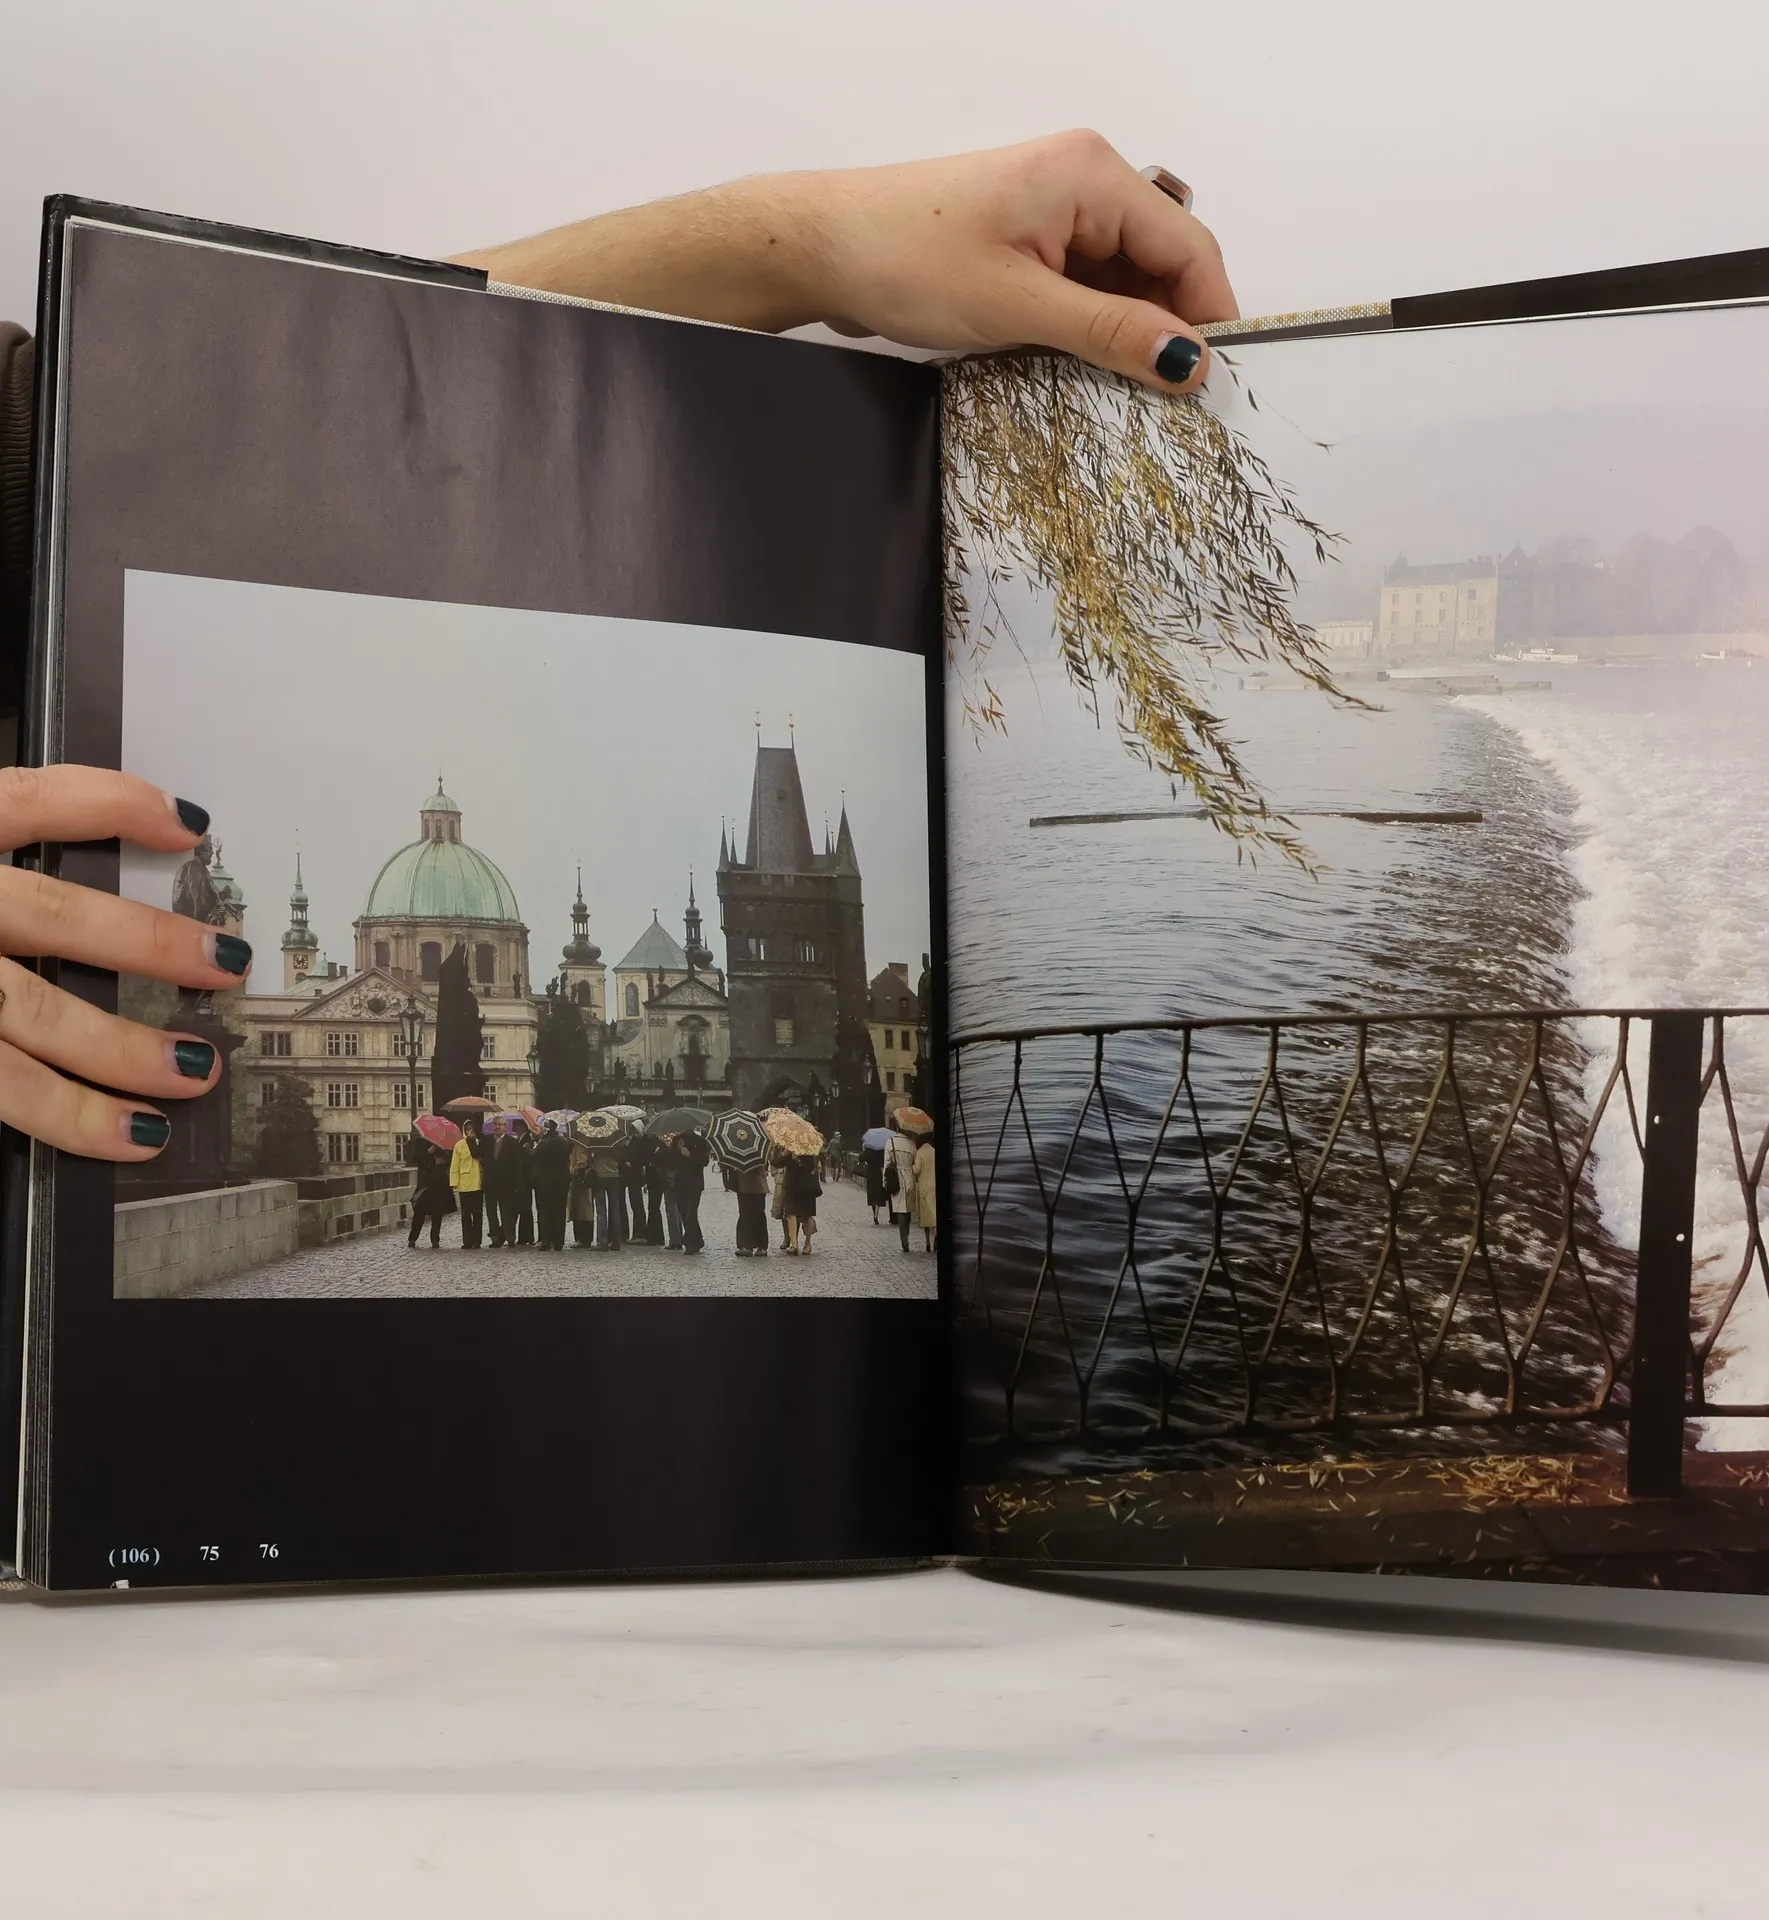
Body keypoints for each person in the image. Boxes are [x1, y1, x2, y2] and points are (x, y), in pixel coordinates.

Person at [0, 136, 1232, 1161]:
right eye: (437, 959)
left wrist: (815, 243)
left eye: (450, 960)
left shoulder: (58, 440)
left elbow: (197, 412)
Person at [406, 1138, 454, 1250]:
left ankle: (435, 1240)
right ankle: (412, 1239)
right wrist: (428, 1152)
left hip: (439, 1183)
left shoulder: (443, 1143)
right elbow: (414, 1158)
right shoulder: (421, 1142)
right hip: (425, 1183)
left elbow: (451, 1159)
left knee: (437, 1213)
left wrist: (444, 1161)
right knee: (419, 1212)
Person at [531, 1121, 572, 1251]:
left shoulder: (544, 1143)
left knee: (545, 1212)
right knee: (560, 1211)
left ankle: (546, 1240)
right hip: (561, 1181)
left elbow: (533, 1155)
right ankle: (559, 1242)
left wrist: (530, 1147)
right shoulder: (564, 1142)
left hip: (545, 1182)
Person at [489, 1128, 532, 1247]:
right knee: (512, 1211)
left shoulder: (524, 1141)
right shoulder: (518, 1140)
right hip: (512, 1181)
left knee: (513, 1211)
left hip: (518, 1182)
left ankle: (509, 1236)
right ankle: (504, 1236)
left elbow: (521, 1162)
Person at [670, 1128, 710, 1255]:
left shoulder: (701, 1141)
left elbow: (704, 1161)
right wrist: (676, 1150)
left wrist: (689, 1155)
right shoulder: (677, 1140)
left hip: (694, 1183)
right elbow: (670, 1160)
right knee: (683, 1212)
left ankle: (691, 1243)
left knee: (690, 1213)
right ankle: (697, 1240)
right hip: (679, 1183)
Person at [449, 1120, 486, 1249]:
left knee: (477, 1213)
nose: (470, 1131)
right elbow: (455, 1164)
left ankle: (477, 1241)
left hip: (478, 1182)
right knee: (465, 1215)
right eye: (467, 1129)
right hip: (464, 1183)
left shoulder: (480, 1142)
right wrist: (454, 1182)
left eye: (472, 1128)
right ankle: (467, 1241)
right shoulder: (459, 1145)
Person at [886, 1127, 920, 1253]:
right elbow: (915, 1163)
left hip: (896, 1178)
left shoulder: (890, 1142)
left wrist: (885, 1182)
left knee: (900, 1210)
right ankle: (907, 1235)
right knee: (908, 1209)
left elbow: (887, 1163)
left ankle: (904, 1239)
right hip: (909, 1177)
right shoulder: (911, 1144)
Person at [781, 1153, 822, 1257]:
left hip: (806, 1186)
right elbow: (778, 1163)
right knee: (790, 1213)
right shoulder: (789, 1149)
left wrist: (797, 1160)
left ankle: (808, 1243)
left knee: (807, 1215)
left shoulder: (810, 1150)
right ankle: (794, 1244)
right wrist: (785, 1154)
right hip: (791, 1186)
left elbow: (812, 1166)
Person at [728, 1156, 769, 1258]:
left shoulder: (760, 1151)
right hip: (743, 1184)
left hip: (757, 1184)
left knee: (758, 1214)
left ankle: (760, 1245)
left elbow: (765, 1163)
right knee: (745, 1214)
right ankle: (746, 1245)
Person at [590, 1141, 626, 1251]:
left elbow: (591, 1158)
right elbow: (621, 1157)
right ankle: (616, 1242)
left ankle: (602, 1242)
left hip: (599, 1176)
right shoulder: (616, 1141)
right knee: (615, 1210)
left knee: (601, 1210)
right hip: (614, 1175)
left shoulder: (596, 1141)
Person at [910, 1134, 938, 1253]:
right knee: (934, 1214)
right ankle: (936, 1236)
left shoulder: (920, 1153)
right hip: (935, 1186)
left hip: (924, 1188)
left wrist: (912, 1166)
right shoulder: (934, 1151)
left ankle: (927, 1241)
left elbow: (917, 1170)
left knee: (926, 1216)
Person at [566, 1142, 595, 1249]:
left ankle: (583, 1239)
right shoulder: (578, 1145)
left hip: (581, 1181)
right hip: (580, 1181)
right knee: (580, 1209)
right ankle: (581, 1238)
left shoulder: (580, 1145)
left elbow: (581, 1163)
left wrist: (573, 1172)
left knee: (582, 1209)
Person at [863, 1137, 889, 1227]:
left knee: (872, 1195)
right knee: (878, 1194)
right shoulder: (880, 1152)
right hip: (878, 1174)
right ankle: (876, 1215)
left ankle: (874, 1213)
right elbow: (883, 1163)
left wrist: (864, 1149)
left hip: (870, 1174)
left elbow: (861, 1158)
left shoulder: (868, 1151)